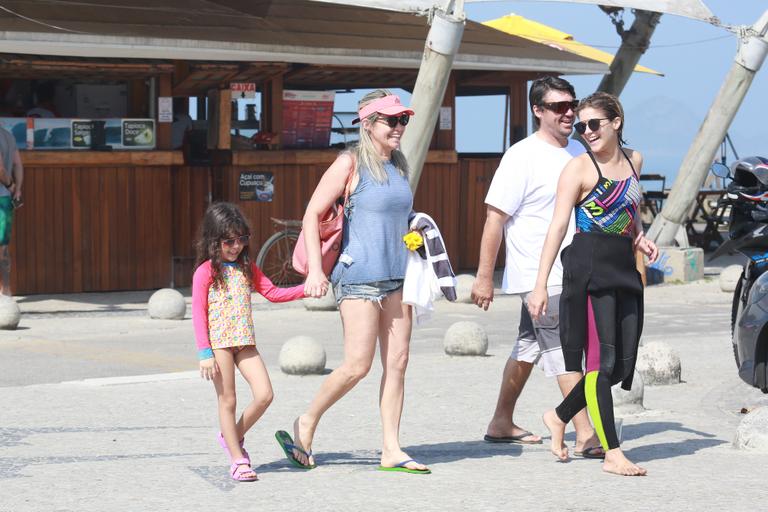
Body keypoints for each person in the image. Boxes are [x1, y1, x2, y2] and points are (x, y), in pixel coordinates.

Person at [275, 89, 430, 475]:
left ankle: (391, 448)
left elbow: (396, 216)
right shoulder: (350, 162)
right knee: (357, 366)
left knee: (398, 363)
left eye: (403, 120)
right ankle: (307, 421)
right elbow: (313, 214)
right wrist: (314, 270)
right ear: (368, 124)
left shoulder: (400, 164)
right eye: (391, 121)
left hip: (398, 276)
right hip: (358, 277)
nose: (399, 127)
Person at [527, 92, 658, 476]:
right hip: (588, 268)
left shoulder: (635, 161)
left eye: (594, 124)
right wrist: (539, 285)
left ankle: (558, 415)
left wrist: (639, 237)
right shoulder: (578, 169)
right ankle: (613, 453)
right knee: (600, 364)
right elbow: (557, 228)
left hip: (623, 267)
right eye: (581, 126)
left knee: (622, 364)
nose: (586, 132)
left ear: (616, 121)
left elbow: (629, 213)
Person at [471, 76, 603, 456]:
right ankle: (585, 433)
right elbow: (494, 217)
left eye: (571, 104)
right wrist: (484, 277)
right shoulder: (521, 156)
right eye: (559, 106)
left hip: (572, 269)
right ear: (537, 111)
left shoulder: (575, 151)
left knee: (528, 347)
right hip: (540, 276)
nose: (569, 113)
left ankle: (500, 420)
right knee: (564, 350)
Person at [192, 202, 306, 482]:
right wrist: (204, 352)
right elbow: (197, 313)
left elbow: (273, 292)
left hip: (244, 343)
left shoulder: (247, 268)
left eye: (241, 239)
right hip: (219, 345)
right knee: (227, 399)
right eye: (228, 241)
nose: (236, 246)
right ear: (213, 240)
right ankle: (237, 458)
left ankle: (232, 435)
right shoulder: (205, 272)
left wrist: (307, 290)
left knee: (265, 394)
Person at [0, 125, 23, 296]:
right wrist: (18, 189)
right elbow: (18, 164)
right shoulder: (8, 135)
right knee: (3, 246)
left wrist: (10, 184)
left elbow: (0, 169)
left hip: (3, 192)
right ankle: (6, 291)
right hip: (6, 198)